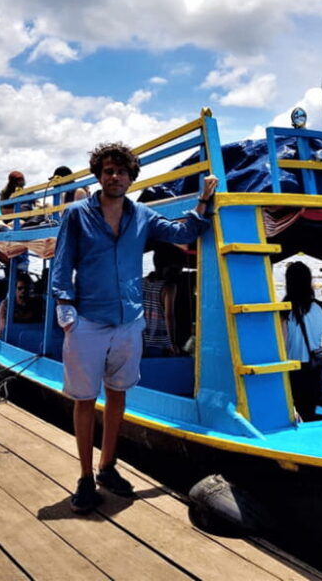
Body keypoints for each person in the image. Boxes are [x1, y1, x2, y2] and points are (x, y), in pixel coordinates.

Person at [52, 141, 217, 514]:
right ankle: (83, 478)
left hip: (128, 322)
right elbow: (62, 264)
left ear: (131, 177)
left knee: (119, 395)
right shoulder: (78, 214)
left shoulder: (141, 215)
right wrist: (65, 307)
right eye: (108, 171)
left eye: (121, 171)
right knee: (84, 399)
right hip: (88, 321)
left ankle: (107, 468)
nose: (115, 177)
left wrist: (204, 201)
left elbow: (181, 233)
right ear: (99, 175)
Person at [281, 261, 322, 421]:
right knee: (309, 407)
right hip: (316, 365)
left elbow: (282, 344)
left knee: (295, 409)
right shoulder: (319, 306)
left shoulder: (284, 310)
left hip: (294, 367)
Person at [142, 245, 186, 356]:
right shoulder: (169, 287)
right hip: (160, 343)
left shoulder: (142, 282)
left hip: (142, 341)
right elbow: (169, 316)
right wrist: (172, 343)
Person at [0, 272, 45, 337]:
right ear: (15, 289)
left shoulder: (36, 303)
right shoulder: (6, 304)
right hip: (7, 337)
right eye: (20, 288)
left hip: (28, 337)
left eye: (26, 288)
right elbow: (3, 326)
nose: (23, 291)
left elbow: (38, 326)